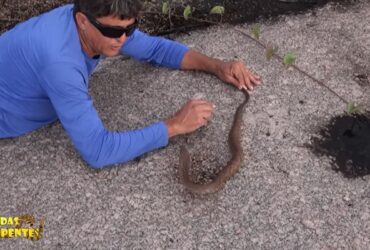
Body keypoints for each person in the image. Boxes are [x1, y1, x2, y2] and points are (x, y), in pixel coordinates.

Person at [0, 0, 261, 168]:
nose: (123, 39)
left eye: (131, 28)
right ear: (81, 20)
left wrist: (217, 66)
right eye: (115, 32)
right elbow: (98, 151)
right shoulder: (60, 64)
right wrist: (174, 125)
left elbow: (157, 50)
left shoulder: (99, 22)